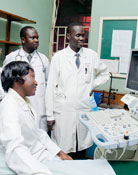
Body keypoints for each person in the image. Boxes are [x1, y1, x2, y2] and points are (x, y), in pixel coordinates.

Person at [0, 61, 115, 175]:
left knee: (83, 169)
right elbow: (15, 149)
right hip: (33, 162)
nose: (36, 82)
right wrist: (40, 172)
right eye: (32, 77)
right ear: (17, 81)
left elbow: (38, 133)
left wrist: (60, 153)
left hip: (43, 155)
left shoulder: (24, 102)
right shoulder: (9, 106)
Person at [45, 22, 110, 157]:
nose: (82, 38)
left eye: (83, 35)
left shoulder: (91, 55)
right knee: (63, 147)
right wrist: (49, 115)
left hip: (83, 107)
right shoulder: (59, 57)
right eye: (78, 35)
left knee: (81, 145)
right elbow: (50, 86)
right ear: (68, 36)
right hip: (63, 110)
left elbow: (106, 74)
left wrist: (92, 84)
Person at [3, 26, 49, 131]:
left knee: (40, 140)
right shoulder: (12, 58)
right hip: (18, 106)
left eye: (37, 38)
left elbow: (48, 84)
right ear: (23, 40)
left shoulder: (44, 59)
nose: (36, 40)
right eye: (32, 38)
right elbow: (5, 82)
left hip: (39, 107)